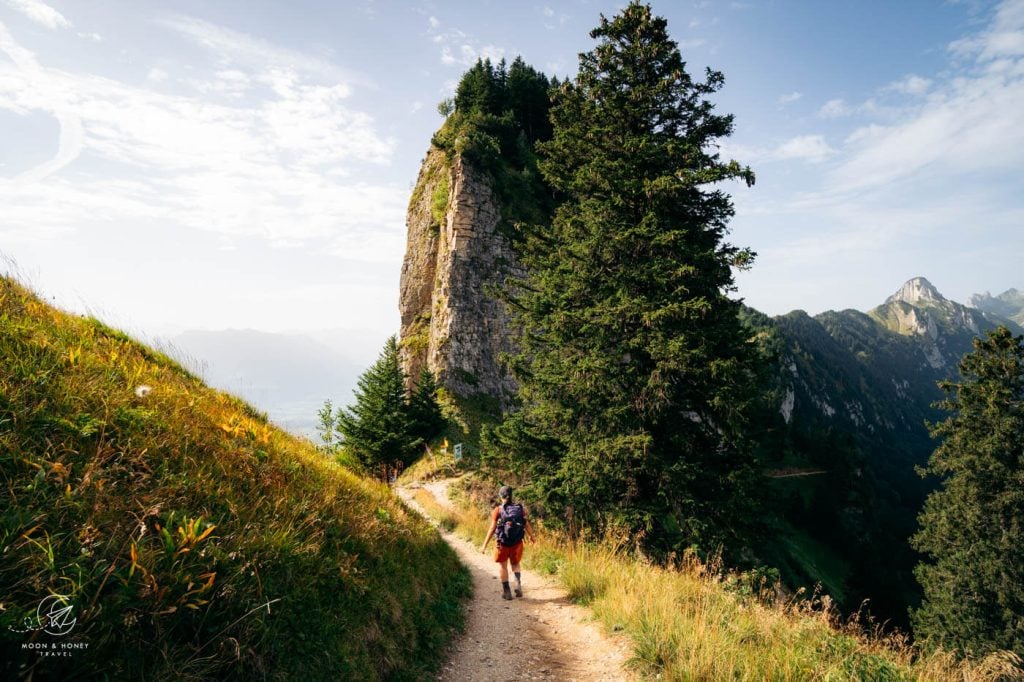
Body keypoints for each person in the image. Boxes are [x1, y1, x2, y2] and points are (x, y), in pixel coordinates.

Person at [480, 485, 535, 600]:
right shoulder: (520, 509)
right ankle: (517, 583)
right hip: (517, 543)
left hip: (502, 543)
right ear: (511, 496)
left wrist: (484, 545)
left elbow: (492, 528)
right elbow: (526, 524)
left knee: (503, 565)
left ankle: (507, 592)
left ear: (501, 496)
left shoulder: (498, 510)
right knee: (515, 564)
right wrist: (532, 537)